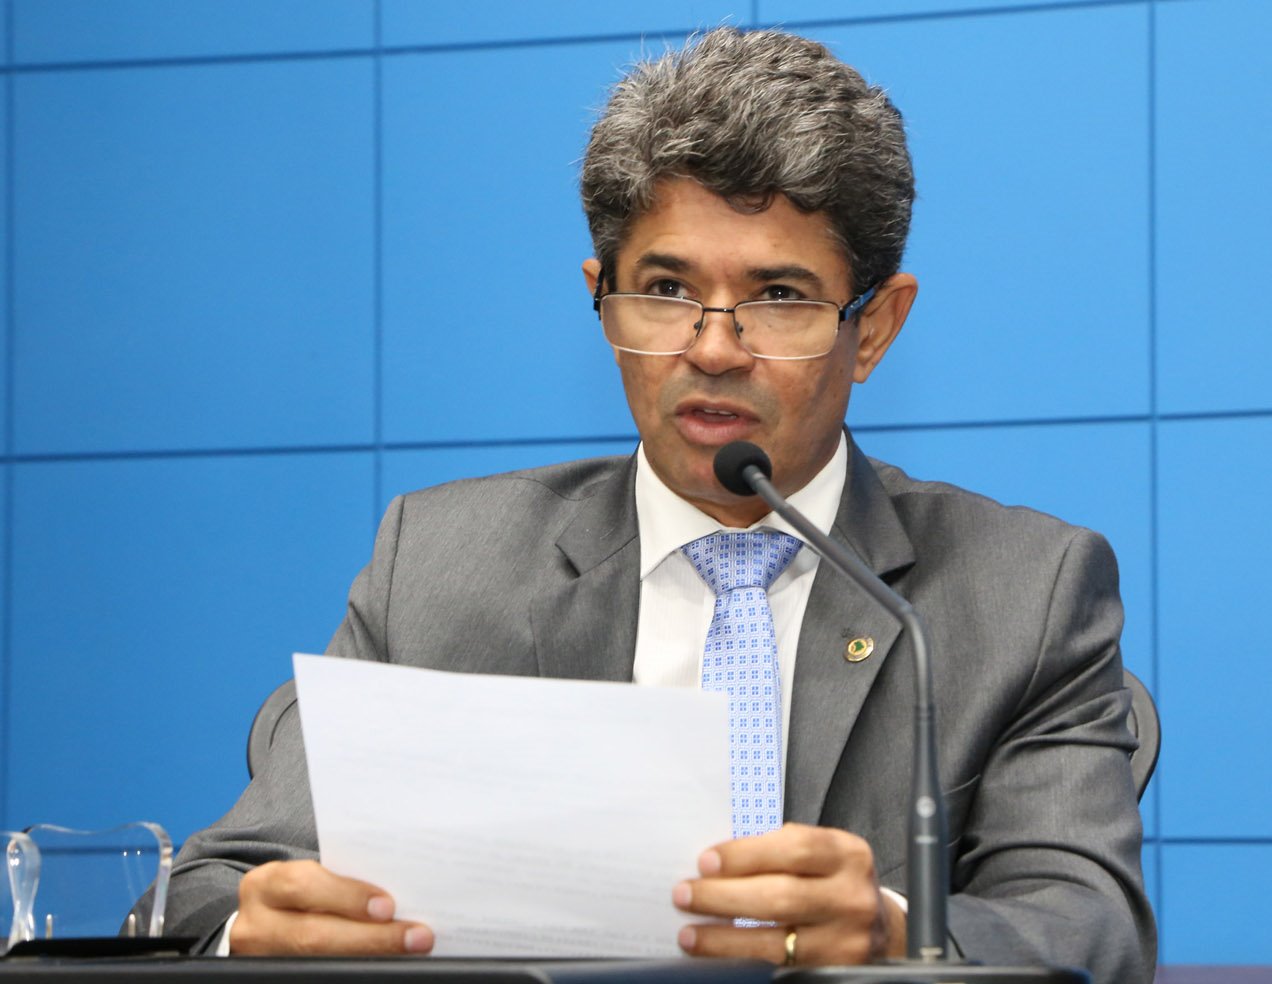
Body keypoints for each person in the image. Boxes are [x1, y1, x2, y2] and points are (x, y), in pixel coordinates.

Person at [153, 27, 1156, 981]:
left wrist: (899, 933)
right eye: (667, 289)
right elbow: (212, 890)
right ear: (602, 297)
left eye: (779, 297)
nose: (712, 349)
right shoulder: (441, 566)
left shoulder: (1023, 593)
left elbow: (1091, 927)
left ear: (877, 327)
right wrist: (258, 932)